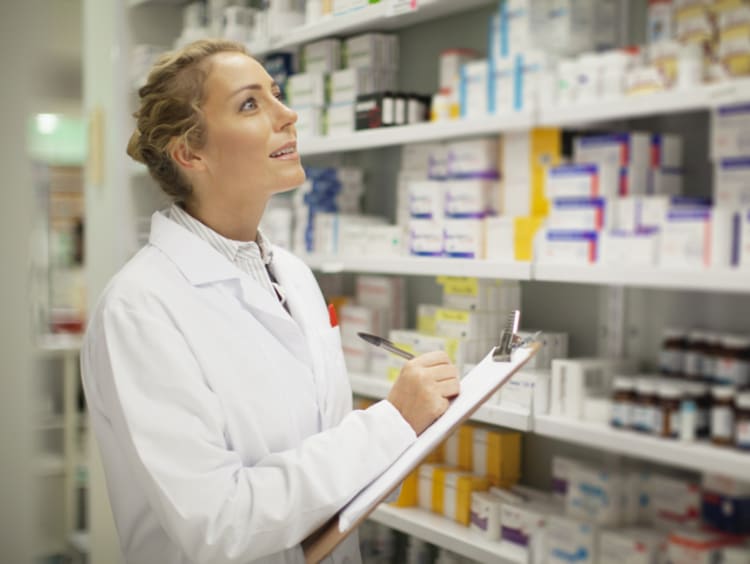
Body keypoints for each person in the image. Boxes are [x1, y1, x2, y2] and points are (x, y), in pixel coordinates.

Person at [81, 38, 460, 564]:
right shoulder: (139, 308)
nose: (288, 114)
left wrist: (404, 433)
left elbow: (324, 452)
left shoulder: (294, 277)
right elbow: (218, 525)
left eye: (276, 93)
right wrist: (390, 423)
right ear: (190, 153)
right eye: (251, 104)